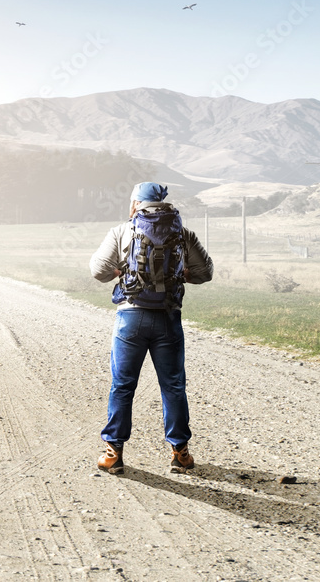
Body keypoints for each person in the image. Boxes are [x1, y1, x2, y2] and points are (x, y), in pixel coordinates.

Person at [89, 182, 213, 475]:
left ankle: (113, 454)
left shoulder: (121, 231)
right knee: (173, 386)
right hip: (168, 318)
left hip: (130, 318)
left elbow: (98, 270)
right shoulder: (183, 233)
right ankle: (180, 453)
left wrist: (121, 272)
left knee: (123, 385)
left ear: (136, 204)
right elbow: (205, 272)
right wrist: (182, 276)